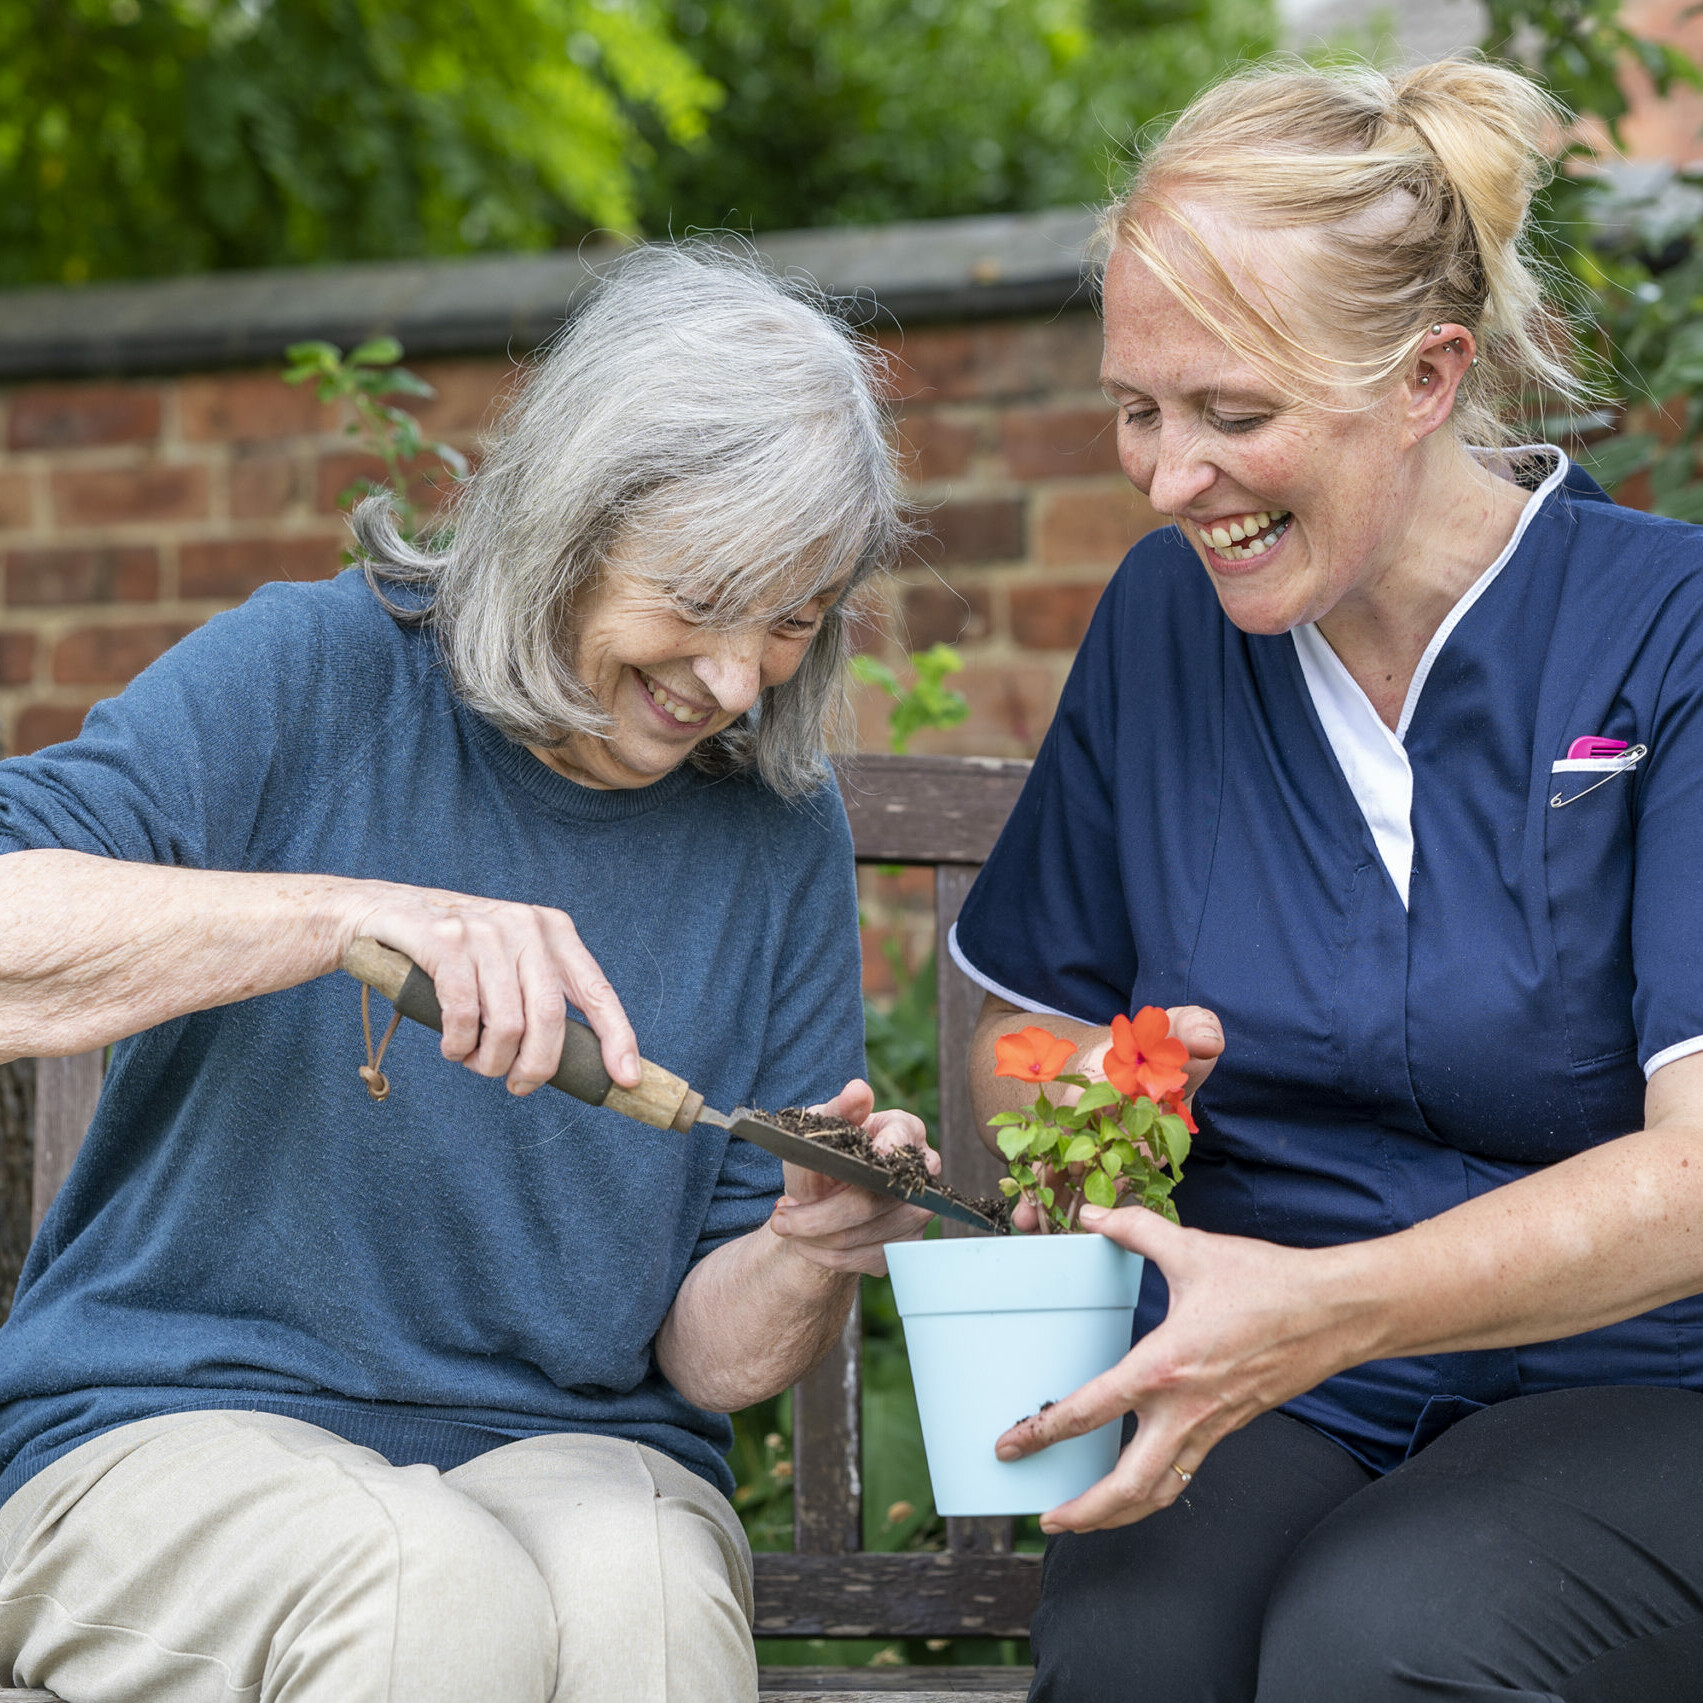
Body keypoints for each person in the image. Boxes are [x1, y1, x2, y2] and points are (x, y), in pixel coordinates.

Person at [0, 244, 936, 1703]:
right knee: (426, 1589)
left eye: (794, 619)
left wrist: (807, 1252)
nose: (740, 678)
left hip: (573, 1457)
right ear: (573, 520)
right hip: (164, 1431)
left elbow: (707, 1359)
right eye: (705, 596)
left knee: (650, 1610)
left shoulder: (773, 827)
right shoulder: (307, 675)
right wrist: (353, 918)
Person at [952, 55, 1703, 1703]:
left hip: (1650, 1381)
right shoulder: (1162, 628)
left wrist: (1332, 1307)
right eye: (1139, 410)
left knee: (1386, 1643)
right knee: (1136, 1648)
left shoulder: (1672, 632)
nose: (1167, 479)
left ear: (1431, 375)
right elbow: (1017, 1028)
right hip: (1276, 1380)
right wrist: (1089, 1098)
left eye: (1234, 415)